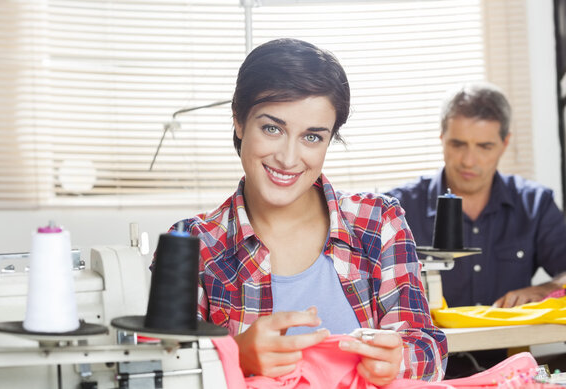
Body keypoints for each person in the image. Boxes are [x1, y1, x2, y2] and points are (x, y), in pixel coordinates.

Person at [167, 38, 447, 384]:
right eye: (272, 128)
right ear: (239, 121)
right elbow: (167, 374)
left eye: (312, 137)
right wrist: (236, 356)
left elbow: (429, 349)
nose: (288, 158)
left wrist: (398, 359)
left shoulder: (378, 222)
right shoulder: (191, 244)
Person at [386, 82, 566, 376]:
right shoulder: (398, 208)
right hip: (424, 372)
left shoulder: (534, 204)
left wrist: (545, 289)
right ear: (442, 137)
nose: (469, 161)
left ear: (505, 143)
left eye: (484, 147)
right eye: (458, 144)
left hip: (509, 369)